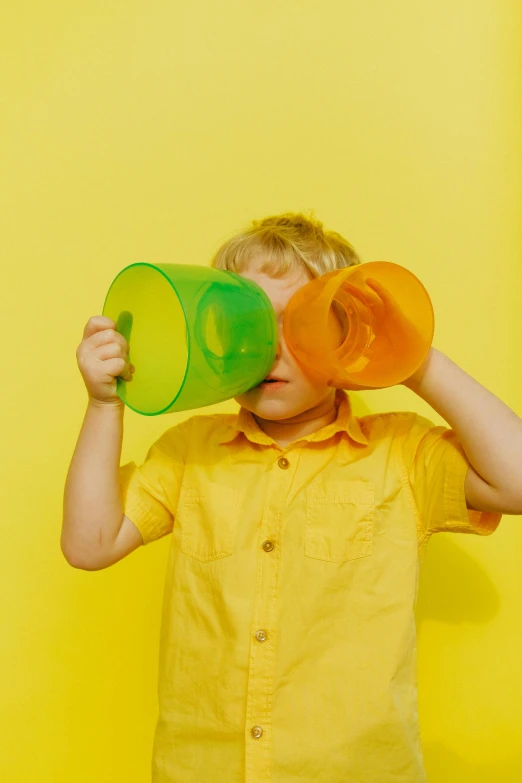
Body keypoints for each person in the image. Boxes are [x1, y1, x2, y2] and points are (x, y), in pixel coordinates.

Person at [62, 211, 521, 782]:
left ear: (349, 333)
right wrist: (106, 405)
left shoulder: (401, 453)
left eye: (298, 322)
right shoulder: (188, 452)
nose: (269, 349)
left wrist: (410, 356)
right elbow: (89, 543)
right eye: (244, 322)